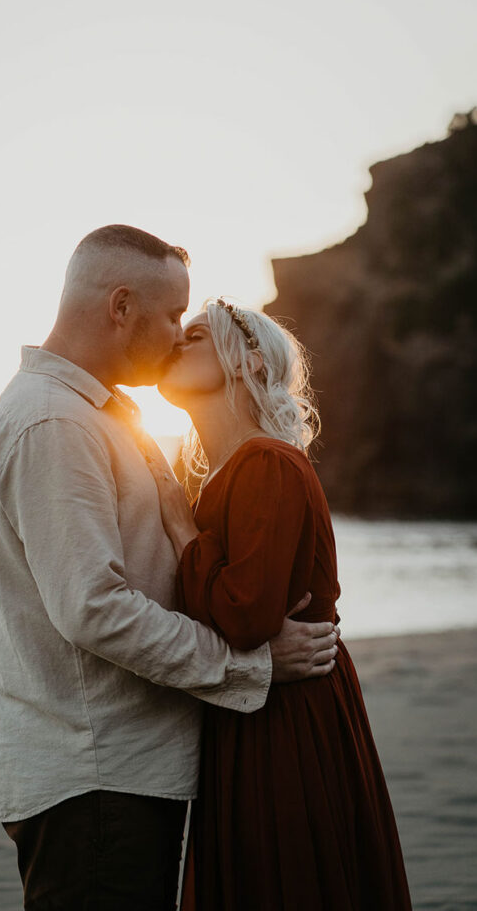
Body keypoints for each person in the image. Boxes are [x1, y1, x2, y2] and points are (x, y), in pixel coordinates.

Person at [0, 226, 339, 911]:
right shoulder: (54, 422)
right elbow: (93, 608)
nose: (178, 335)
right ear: (120, 306)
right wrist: (251, 667)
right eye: (173, 316)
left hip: (118, 772)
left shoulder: (98, 416)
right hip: (95, 775)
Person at [144, 298, 413, 911]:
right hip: (256, 703)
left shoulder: (266, 463)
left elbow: (245, 617)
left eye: (194, 337)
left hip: (289, 714)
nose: (174, 346)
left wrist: (182, 533)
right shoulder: (225, 475)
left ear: (247, 364)